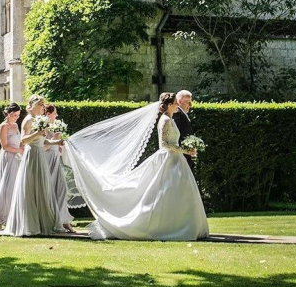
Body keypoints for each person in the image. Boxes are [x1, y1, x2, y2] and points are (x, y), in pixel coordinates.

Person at [63, 92, 209, 241]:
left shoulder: (170, 120)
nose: (178, 106)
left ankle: (180, 225)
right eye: (175, 104)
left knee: (178, 195)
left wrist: (185, 148)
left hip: (176, 161)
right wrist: (184, 150)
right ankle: (165, 227)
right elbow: (164, 144)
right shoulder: (165, 120)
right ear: (170, 105)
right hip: (168, 160)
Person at [5, 95, 60, 237]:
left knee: (42, 187)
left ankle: (42, 223)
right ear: (34, 106)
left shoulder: (39, 120)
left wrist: (57, 142)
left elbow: (43, 142)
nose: (43, 108)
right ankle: (29, 224)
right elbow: (24, 140)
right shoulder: (28, 120)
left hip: (40, 154)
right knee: (31, 187)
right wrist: (38, 133)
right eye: (41, 106)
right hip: (31, 156)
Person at [43, 103, 74, 232]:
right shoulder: (42, 127)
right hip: (46, 160)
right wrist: (54, 138)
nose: (57, 115)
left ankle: (64, 220)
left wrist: (63, 146)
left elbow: (58, 147)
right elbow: (43, 147)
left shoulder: (56, 125)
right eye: (55, 113)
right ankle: (52, 220)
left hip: (56, 160)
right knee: (49, 191)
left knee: (62, 189)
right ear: (48, 114)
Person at [173, 90, 196, 172]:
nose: (190, 105)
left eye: (190, 102)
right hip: (181, 156)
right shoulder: (178, 114)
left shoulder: (182, 114)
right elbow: (176, 135)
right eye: (187, 102)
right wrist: (185, 151)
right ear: (179, 101)